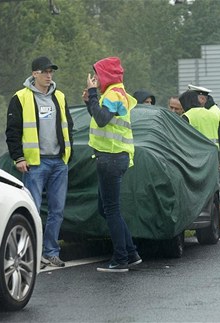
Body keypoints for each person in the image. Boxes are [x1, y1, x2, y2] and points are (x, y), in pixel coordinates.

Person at [5, 56, 73, 268]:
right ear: (34, 74)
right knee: (32, 210)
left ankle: (51, 252)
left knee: (57, 210)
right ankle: (33, 254)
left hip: (58, 162)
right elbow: (12, 131)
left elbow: (68, 126)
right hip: (35, 163)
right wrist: (18, 157)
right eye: (44, 72)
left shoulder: (59, 96)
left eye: (51, 71)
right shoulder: (21, 97)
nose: (48, 75)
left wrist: (68, 153)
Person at [82, 56, 142, 273]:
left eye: (98, 74)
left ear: (105, 75)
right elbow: (100, 116)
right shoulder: (117, 93)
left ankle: (120, 259)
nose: (95, 78)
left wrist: (93, 95)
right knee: (105, 208)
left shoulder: (112, 94)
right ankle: (131, 253)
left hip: (111, 157)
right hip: (115, 157)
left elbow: (101, 118)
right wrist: (90, 101)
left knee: (111, 210)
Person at [179, 90, 220, 239]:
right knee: (213, 192)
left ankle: (197, 220)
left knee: (197, 192)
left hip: (195, 160)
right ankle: (216, 227)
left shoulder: (186, 117)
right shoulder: (213, 115)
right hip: (213, 160)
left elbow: (182, 141)